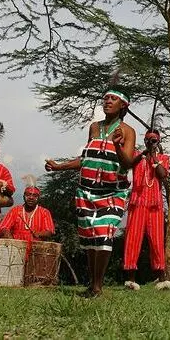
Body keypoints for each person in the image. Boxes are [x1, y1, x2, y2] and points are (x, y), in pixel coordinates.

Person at [45, 85, 137, 297]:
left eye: (113, 99)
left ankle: (97, 286)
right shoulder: (94, 128)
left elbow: (128, 163)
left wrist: (117, 146)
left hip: (112, 193)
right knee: (89, 239)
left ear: (123, 105)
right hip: (86, 191)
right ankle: (92, 285)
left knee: (104, 235)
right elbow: (86, 158)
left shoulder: (127, 131)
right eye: (106, 98)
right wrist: (59, 167)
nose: (107, 101)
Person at [122, 128, 170, 290]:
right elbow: (129, 163)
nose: (151, 142)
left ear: (158, 141)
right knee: (132, 239)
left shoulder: (163, 158)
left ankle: (162, 278)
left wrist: (154, 157)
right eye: (148, 139)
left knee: (157, 241)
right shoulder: (137, 155)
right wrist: (144, 154)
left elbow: (162, 174)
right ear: (144, 141)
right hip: (137, 204)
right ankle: (130, 279)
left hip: (155, 205)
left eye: (154, 140)